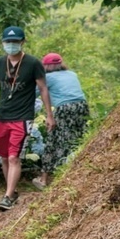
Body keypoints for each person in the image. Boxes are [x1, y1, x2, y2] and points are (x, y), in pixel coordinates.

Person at [0, 26, 55, 211]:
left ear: (22, 42)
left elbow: (43, 89)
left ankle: (7, 196)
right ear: (3, 43)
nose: (11, 45)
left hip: (22, 117)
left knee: (15, 156)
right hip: (2, 116)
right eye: (8, 42)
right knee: (5, 157)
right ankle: (12, 192)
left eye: (15, 42)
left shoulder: (33, 63)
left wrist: (49, 115)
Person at [36, 52, 88, 187]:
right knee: (78, 140)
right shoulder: (72, 74)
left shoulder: (48, 78)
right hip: (82, 106)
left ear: (46, 66)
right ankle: (75, 174)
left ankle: (46, 179)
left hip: (65, 108)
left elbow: (35, 92)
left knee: (55, 140)